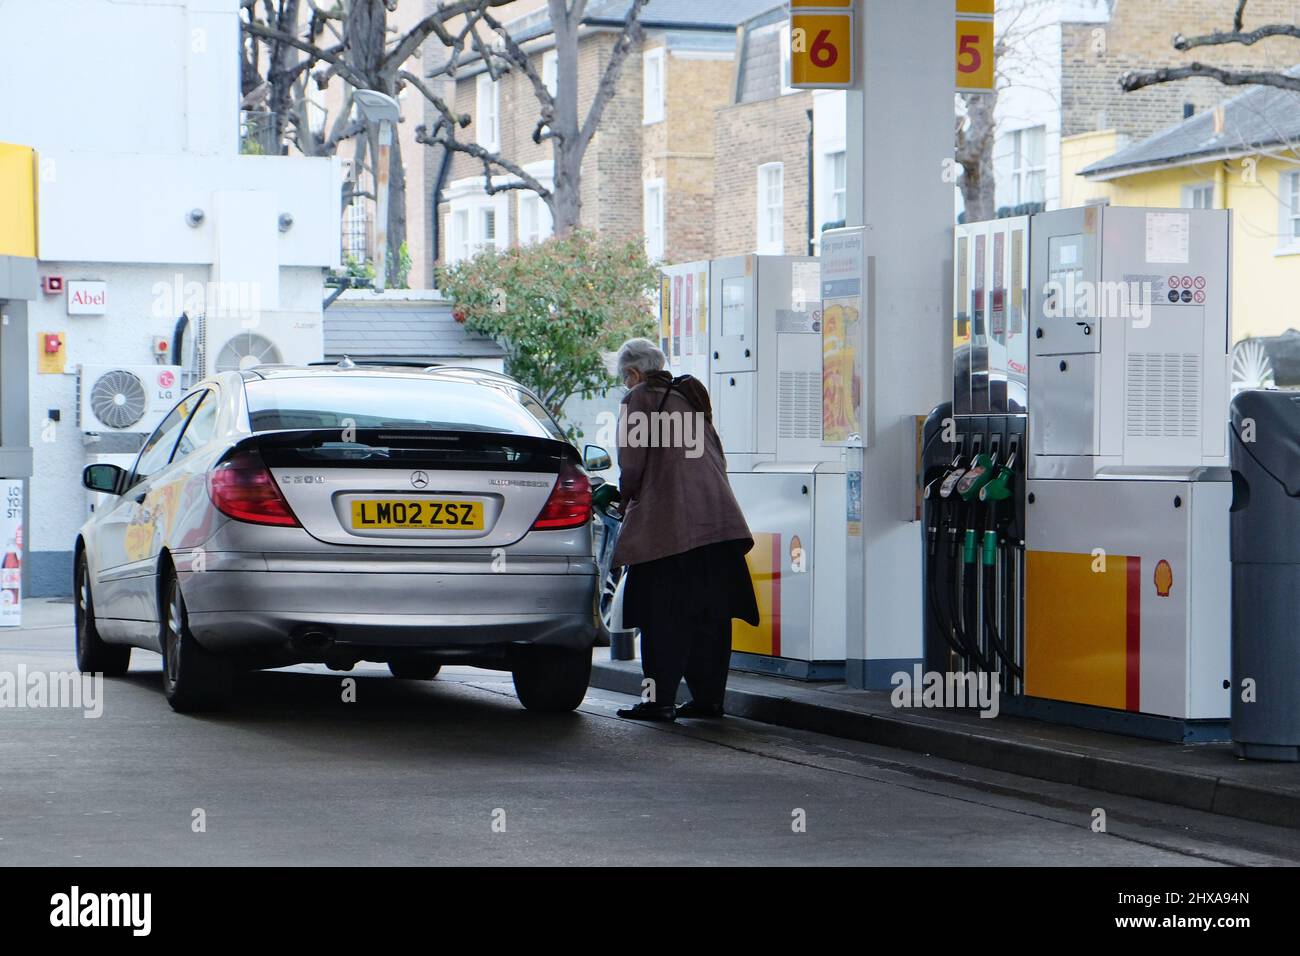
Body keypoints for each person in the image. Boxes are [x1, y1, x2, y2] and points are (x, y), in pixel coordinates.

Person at [610, 338, 758, 722]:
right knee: (711, 615)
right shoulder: (689, 395)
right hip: (717, 522)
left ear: (633, 373)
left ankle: (657, 701)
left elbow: (632, 465)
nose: (626, 385)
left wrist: (624, 499)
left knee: (662, 616)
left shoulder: (639, 398)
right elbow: (717, 457)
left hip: (670, 527)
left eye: (624, 377)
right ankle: (709, 700)